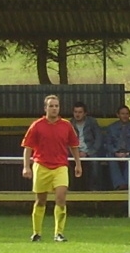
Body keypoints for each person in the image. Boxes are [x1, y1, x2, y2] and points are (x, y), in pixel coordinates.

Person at [21, 95, 81, 242]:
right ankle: (37, 232)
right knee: (41, 200)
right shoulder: (37, 125)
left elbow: (73, 146)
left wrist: (78, 164)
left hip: (60, 166)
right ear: (45, 108)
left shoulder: (66, 125)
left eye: (56, 106)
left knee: (61, 198)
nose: (54, 109)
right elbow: (28, 147)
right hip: (41, 165)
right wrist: (26, 166)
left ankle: (58, 233)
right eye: (51, 106)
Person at [104, 105, 130, 190]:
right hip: (115, 153)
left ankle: (126, 184)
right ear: (117, 115)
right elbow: (107, 144)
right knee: (111, 158)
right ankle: (120, 185)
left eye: (127, 114)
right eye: (122, 114)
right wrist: (116, 152)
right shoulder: (111, 128)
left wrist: (128, 153)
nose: (125, 116)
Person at [69, 101, 104, 191]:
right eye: (75, 112)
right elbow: (66, 142)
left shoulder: (92, 122)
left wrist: (89, 152)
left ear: (85, 113)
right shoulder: (69, 124)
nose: (77, 114)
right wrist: (76, 153)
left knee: (95, 163)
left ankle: (94, 189)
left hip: (90, 151)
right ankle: (71, 189)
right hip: (73, 153)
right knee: (65, 163)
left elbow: (98, 139)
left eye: (80, 112)